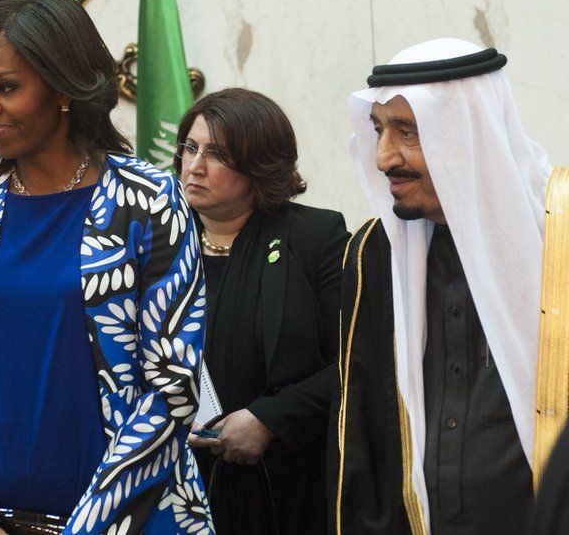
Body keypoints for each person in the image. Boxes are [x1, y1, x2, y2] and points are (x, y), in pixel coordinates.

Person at [0, 0, 212, 534]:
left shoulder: (148, 199)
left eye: (6, 87)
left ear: (64, 88)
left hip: (134, 520)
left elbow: (171, 386)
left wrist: (87, 526)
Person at [331, 38, 551, 534]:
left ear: (466, 134)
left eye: (407, 132)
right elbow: (360, 437)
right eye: (379, 130)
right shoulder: (373, 254)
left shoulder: (555, 240)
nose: (384, 157)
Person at [179, 88, 348, 534]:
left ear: (260, 165)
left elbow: (358, 358)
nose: (195, 166)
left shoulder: (315, 237)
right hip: (176, 484)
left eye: (217, 154)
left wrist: (270, 420)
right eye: (190, 148)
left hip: (285, 487)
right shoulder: (159, 243)